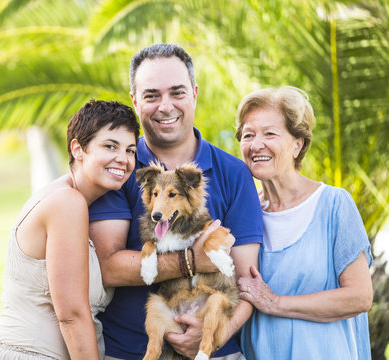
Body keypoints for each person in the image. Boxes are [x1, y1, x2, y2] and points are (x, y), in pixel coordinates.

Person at [89, 43, 263, 360]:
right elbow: (108, 267)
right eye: (152, 95)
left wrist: (215, 335)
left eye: (177, 93)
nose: (165, 106)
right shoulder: (119, 170)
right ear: (135, 100)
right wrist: (189, 260)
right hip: (130, 352)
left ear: (194, 93)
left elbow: (248, 281)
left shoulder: (233, 173)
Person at [0, 99, 140, 360]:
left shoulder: (72, 200)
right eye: (110, 146)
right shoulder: (68, 202)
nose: (122, 159)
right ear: (78, 149)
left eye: (130, 150)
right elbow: (72, 316)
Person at [234, 86, 373, 359]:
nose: (255, 144)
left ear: (297, 144)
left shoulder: (333, 205)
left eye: (270, 133)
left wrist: (274, 303)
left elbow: (359, 297)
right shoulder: (244, 214)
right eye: (248, 135)